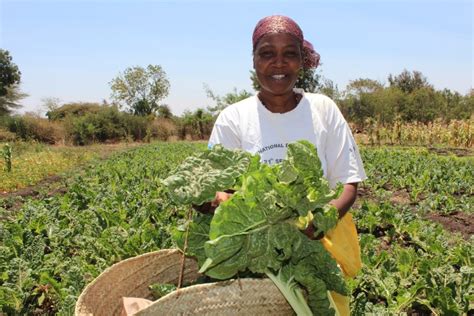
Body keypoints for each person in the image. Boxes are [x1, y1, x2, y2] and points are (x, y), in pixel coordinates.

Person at [206, 15, 367, 315]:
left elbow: (348, 182)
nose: (278, 64)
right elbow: (218, 190)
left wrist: (322, 219)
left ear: (301, 61)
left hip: (321, 245)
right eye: (267, 53)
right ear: (253, 59)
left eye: (289, 54)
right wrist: (212, 200)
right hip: (256, 252)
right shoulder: (233, 118)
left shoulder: (323, 109)